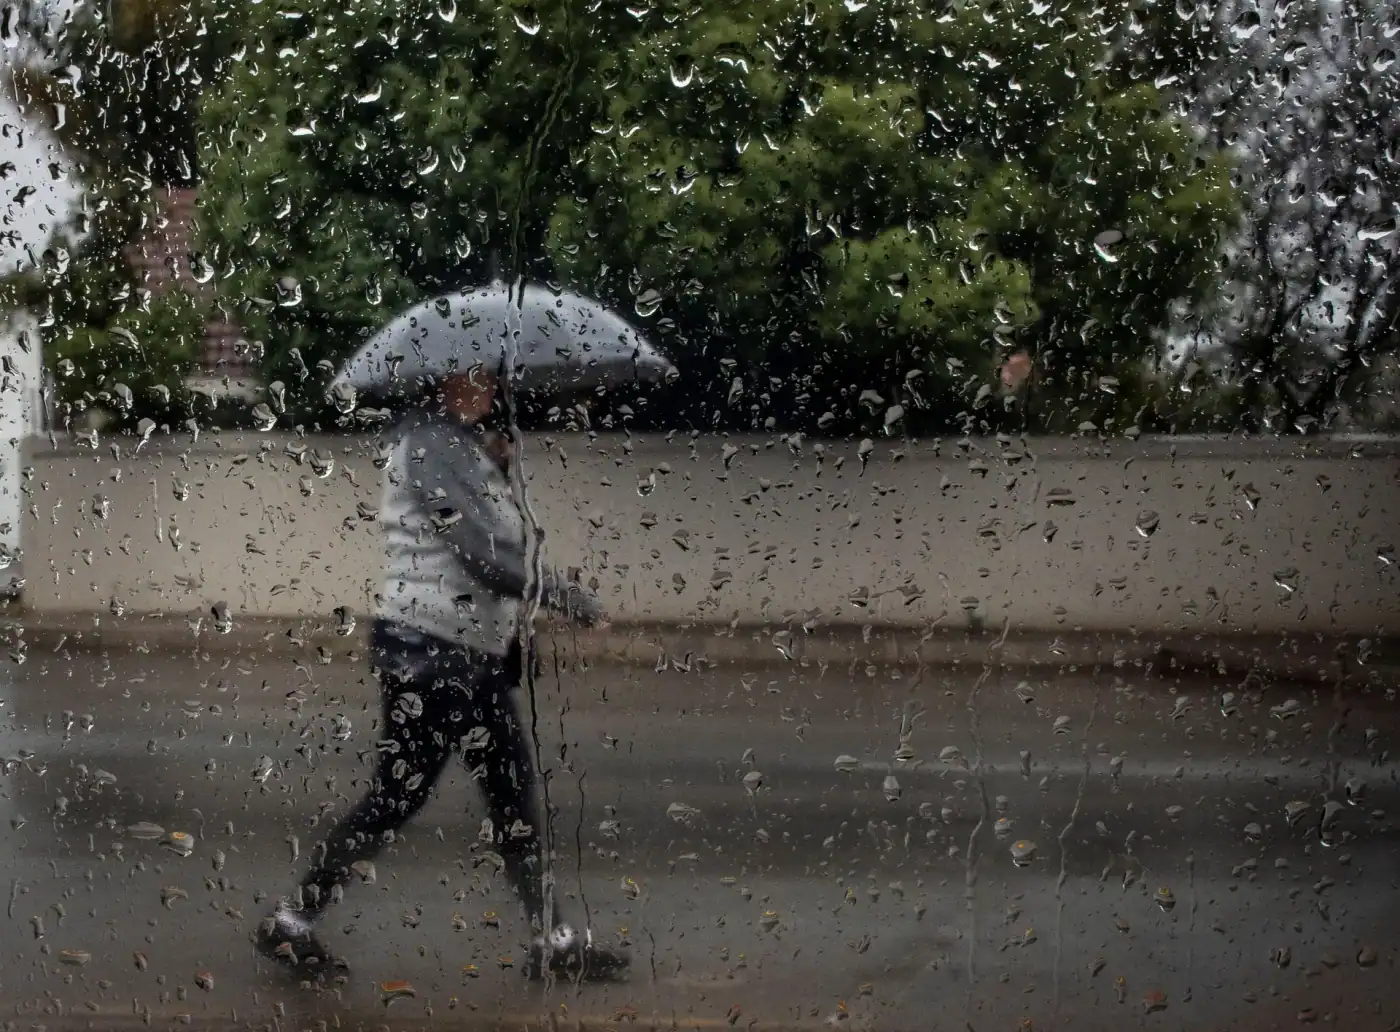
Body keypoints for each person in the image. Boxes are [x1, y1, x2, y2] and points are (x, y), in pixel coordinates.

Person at [254, 365, 627, 981]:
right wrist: (568, 598)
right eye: (476, 372)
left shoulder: (459, 446)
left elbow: (497, 541)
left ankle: (554, 943)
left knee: (506, 796)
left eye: (490, 373)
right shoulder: (431, 443)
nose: (490, 382)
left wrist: (499, 469)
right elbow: (480, 554)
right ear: (443, 378)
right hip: (431, 652)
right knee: (402, 797)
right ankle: (293, 924)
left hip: (461, 652)